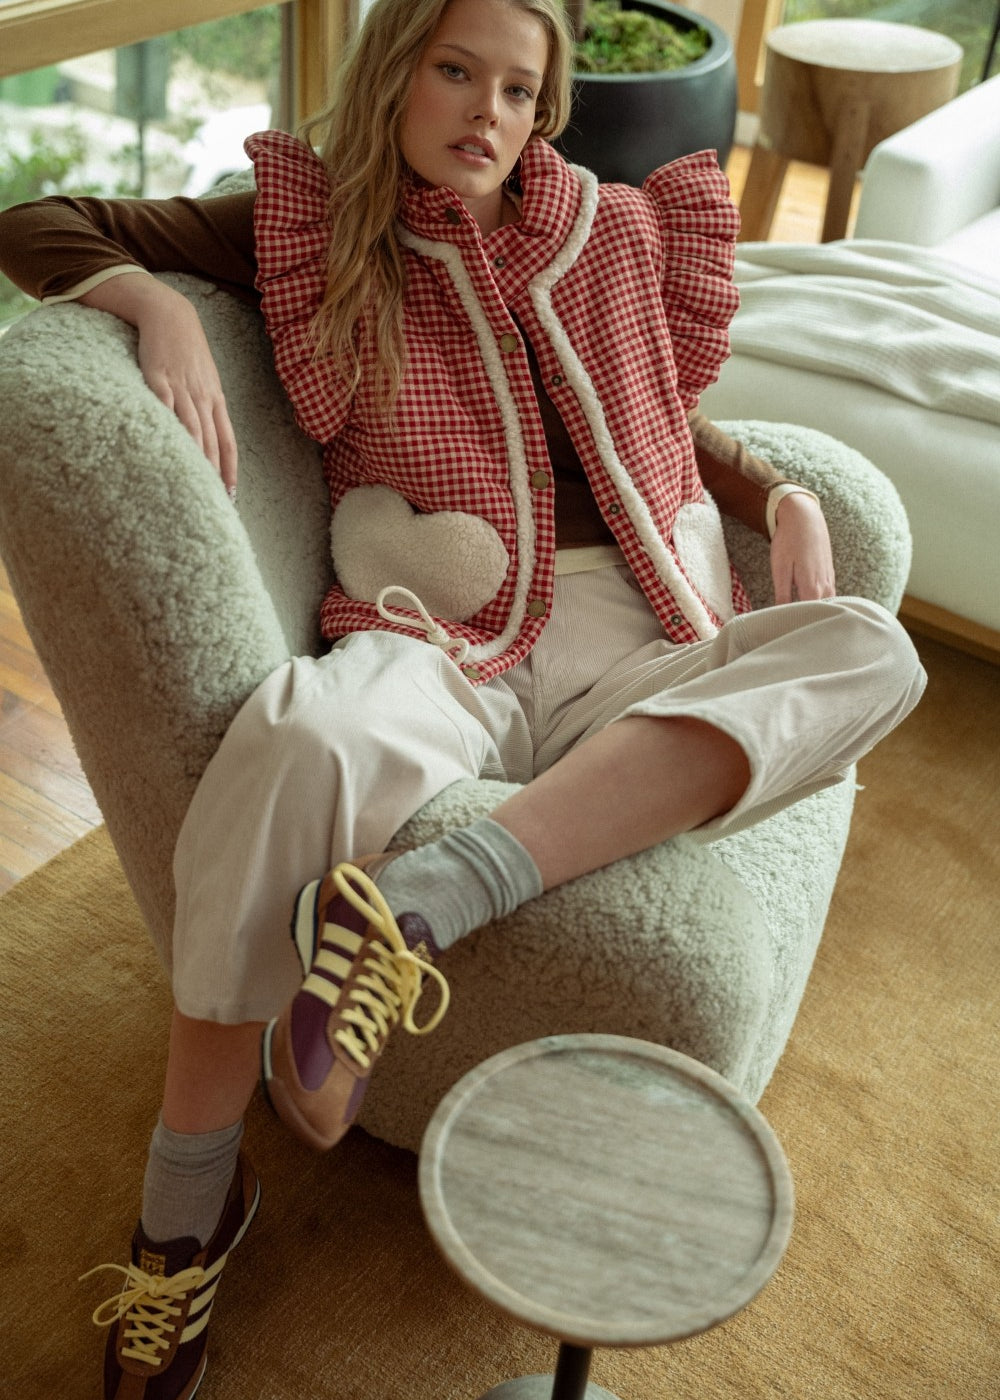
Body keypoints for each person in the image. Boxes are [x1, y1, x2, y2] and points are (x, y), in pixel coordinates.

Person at [0, 0, 926, 1395]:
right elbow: (39, 222)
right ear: (397, 71)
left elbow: (663, 420)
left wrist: (779, 491)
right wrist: (145, 307)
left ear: (544, 106)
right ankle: (186, 1213)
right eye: (454, 70)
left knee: (870, 651)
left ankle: (431, 903)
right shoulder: (309, 229)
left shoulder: (605, 230)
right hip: (442, 627)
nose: (485, 113)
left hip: (644, 633)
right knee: (301, 737)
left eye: (516, 87)